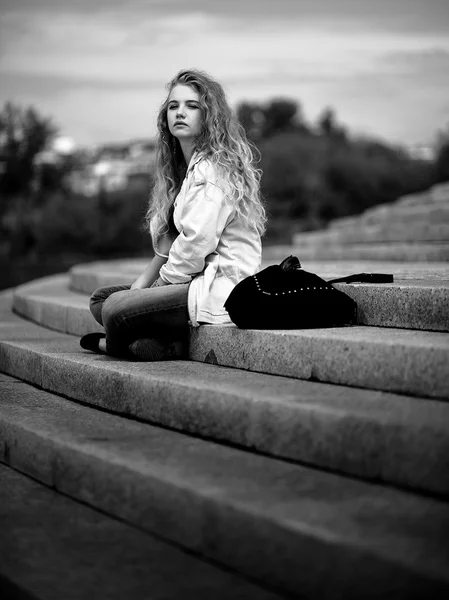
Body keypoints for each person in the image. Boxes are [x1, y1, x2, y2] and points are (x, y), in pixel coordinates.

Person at [80, 68, 266, 361]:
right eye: (173, 106)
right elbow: (168, 249)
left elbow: (194, 245)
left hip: (216, 289)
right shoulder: (184, 172)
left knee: (115, 309)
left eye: (192, 106)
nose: (180, 112)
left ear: (208, 116)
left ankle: (113, 346)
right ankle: (165, 341)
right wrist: (142, 288)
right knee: (102, 299)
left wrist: (155, 288)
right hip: (189, 282)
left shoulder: (212, 170)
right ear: (165, 116)